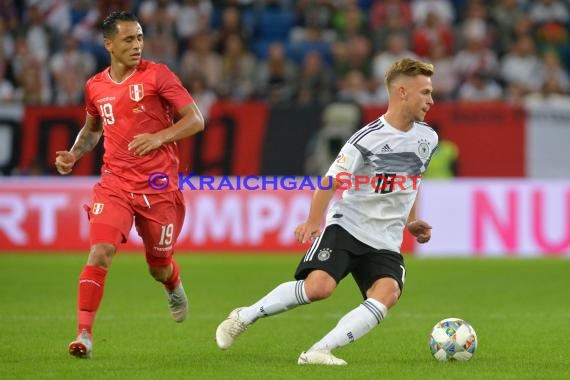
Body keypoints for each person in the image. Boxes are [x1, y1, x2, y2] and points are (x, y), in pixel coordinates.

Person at [215, 58, 437, 365]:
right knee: (319, 288)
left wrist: (411, 221)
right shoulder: (367, 139)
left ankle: (319, 350)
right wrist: (312, 221)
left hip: (385, 239)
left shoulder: (428, 138)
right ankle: (244, 315)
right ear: (402, 92)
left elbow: (410, 181)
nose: (431, 100)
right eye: (425, 92)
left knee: (387, 294)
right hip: (349, 226)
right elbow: (331, 180)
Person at [54, 11, 205, 359]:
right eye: (128, 39)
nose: (137, 45)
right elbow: (93, 130)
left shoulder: (158, 76)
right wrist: (74, 155)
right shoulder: (95, 86)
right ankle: (84, 334)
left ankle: (172, 282)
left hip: (158, 186)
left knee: (158, 265)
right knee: (100, 251)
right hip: (115, 184)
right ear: (109, 44)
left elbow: (196, 119)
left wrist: (159, 137)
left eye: (139, 38)